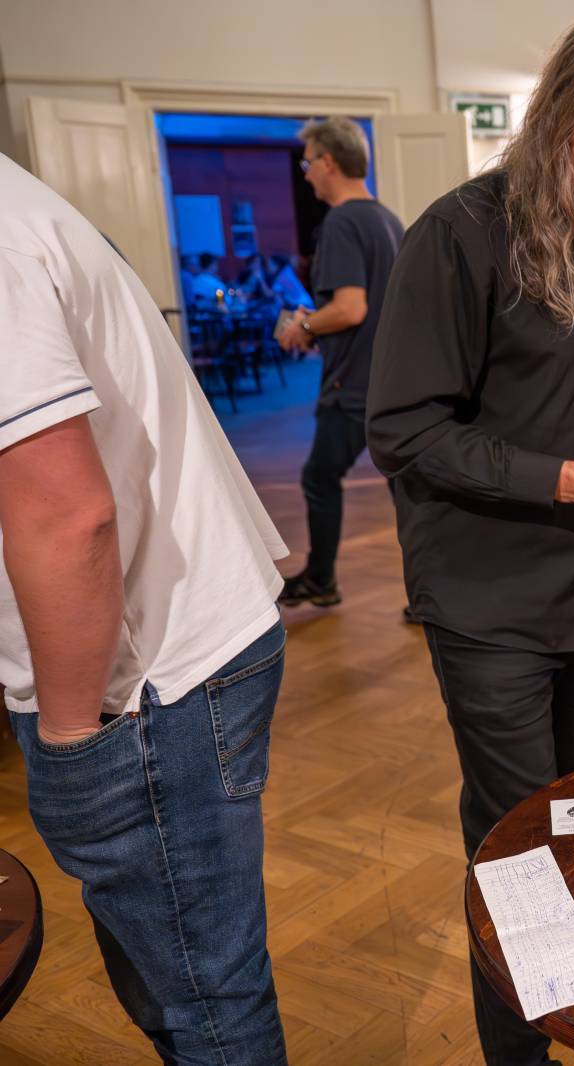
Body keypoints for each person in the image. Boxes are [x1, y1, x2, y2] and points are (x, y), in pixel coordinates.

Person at [365, 12, 574, 1064]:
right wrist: (561, 480)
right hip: (488, 600)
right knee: (519, 845)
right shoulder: (458, 236)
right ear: (559, 120)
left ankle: (546, 1026)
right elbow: (403, 428)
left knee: (566, 821)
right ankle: (523, 1054)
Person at [0, 154, 290, 1064]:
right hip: (165, 661)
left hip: (145, 686)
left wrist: (72, 737)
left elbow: (68, 514)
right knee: (185, 986)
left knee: (205, 1007)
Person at [275, 117, 404, 608]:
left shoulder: (342, 222)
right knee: (403, 492)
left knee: (318, 478)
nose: (306, 174)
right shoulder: (386, 219)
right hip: (388, 380)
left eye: (309, 163)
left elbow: (351, 308)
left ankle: (322, 580)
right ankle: (430, 595)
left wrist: (302, 326)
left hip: (352, 385)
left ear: (329, 163)